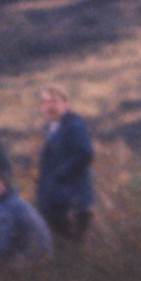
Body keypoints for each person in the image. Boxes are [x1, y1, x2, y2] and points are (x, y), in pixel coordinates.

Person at [35, 86, 96, 246]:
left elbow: (85, 154)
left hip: (72, 203)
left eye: (55, 101)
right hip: (56, 202)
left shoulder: (74, 126)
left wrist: (60, 175)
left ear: (65, 104)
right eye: (46, 102)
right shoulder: (51, 129)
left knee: (74, 251)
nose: (50, 106)